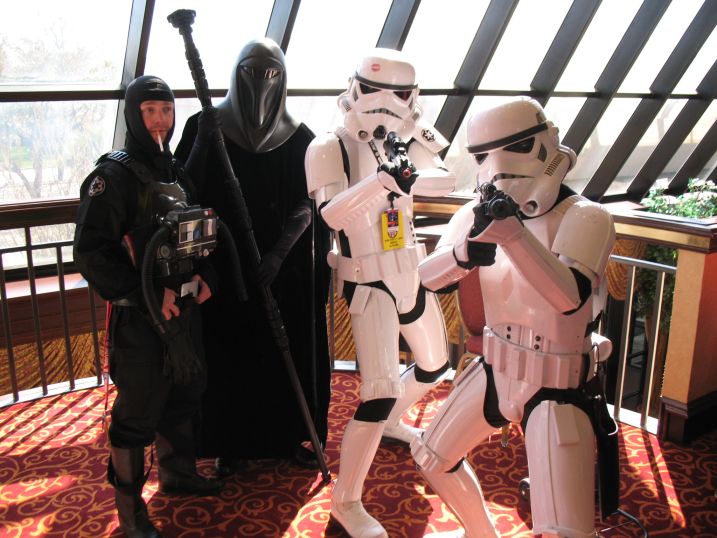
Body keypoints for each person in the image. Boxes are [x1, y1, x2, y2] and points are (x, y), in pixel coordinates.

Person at [413, 97, 618, 537]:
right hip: (495, 368)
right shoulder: (476, 212)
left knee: (564, 529)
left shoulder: (586, 217)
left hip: (557, 383)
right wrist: (462, 253)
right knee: (430, 456)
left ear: (547, 144)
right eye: (483, 156)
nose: (498, 166)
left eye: (516, 147)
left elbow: (569, 297)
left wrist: (515, 238)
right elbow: (426, 278)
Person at [305, 48, 456, 538]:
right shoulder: (328, 146)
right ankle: (345, 502)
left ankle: (392, 422)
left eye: (398, 94)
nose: (385, 103)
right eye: (374, 91)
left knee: (435, 365)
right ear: (354, 88)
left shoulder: (404, 138)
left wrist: (406, 171)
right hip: (368, 280)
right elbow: (330, 215)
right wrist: (379, 182)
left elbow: (449, 176)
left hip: (409, 270)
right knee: (378, 391)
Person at [73, 76, 225, 537]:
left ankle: (177, 474)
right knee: (137, 412)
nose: (160, 120)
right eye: (150, 111)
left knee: (185, 393)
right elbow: (91, 251)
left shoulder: (177, 173)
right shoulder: (112, 178)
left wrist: (207, 276)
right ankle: (130, 513)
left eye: (166, 110)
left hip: (184, 311)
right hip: (140, 320)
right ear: (134, 115)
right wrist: (147, 294)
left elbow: (197, 236)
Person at [174, 37, 332, 473]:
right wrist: (203, 142)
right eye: (251, 71)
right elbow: (182, 190)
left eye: (271, 73)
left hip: (283, 273)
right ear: (235, 73)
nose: (261, 82)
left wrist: (278, 255)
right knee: (230, 357)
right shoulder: (205, 125)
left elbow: (310, 202)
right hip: (224, 271)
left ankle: (289, 437)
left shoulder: (301, 139)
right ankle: (231, 444)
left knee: (288, 356)